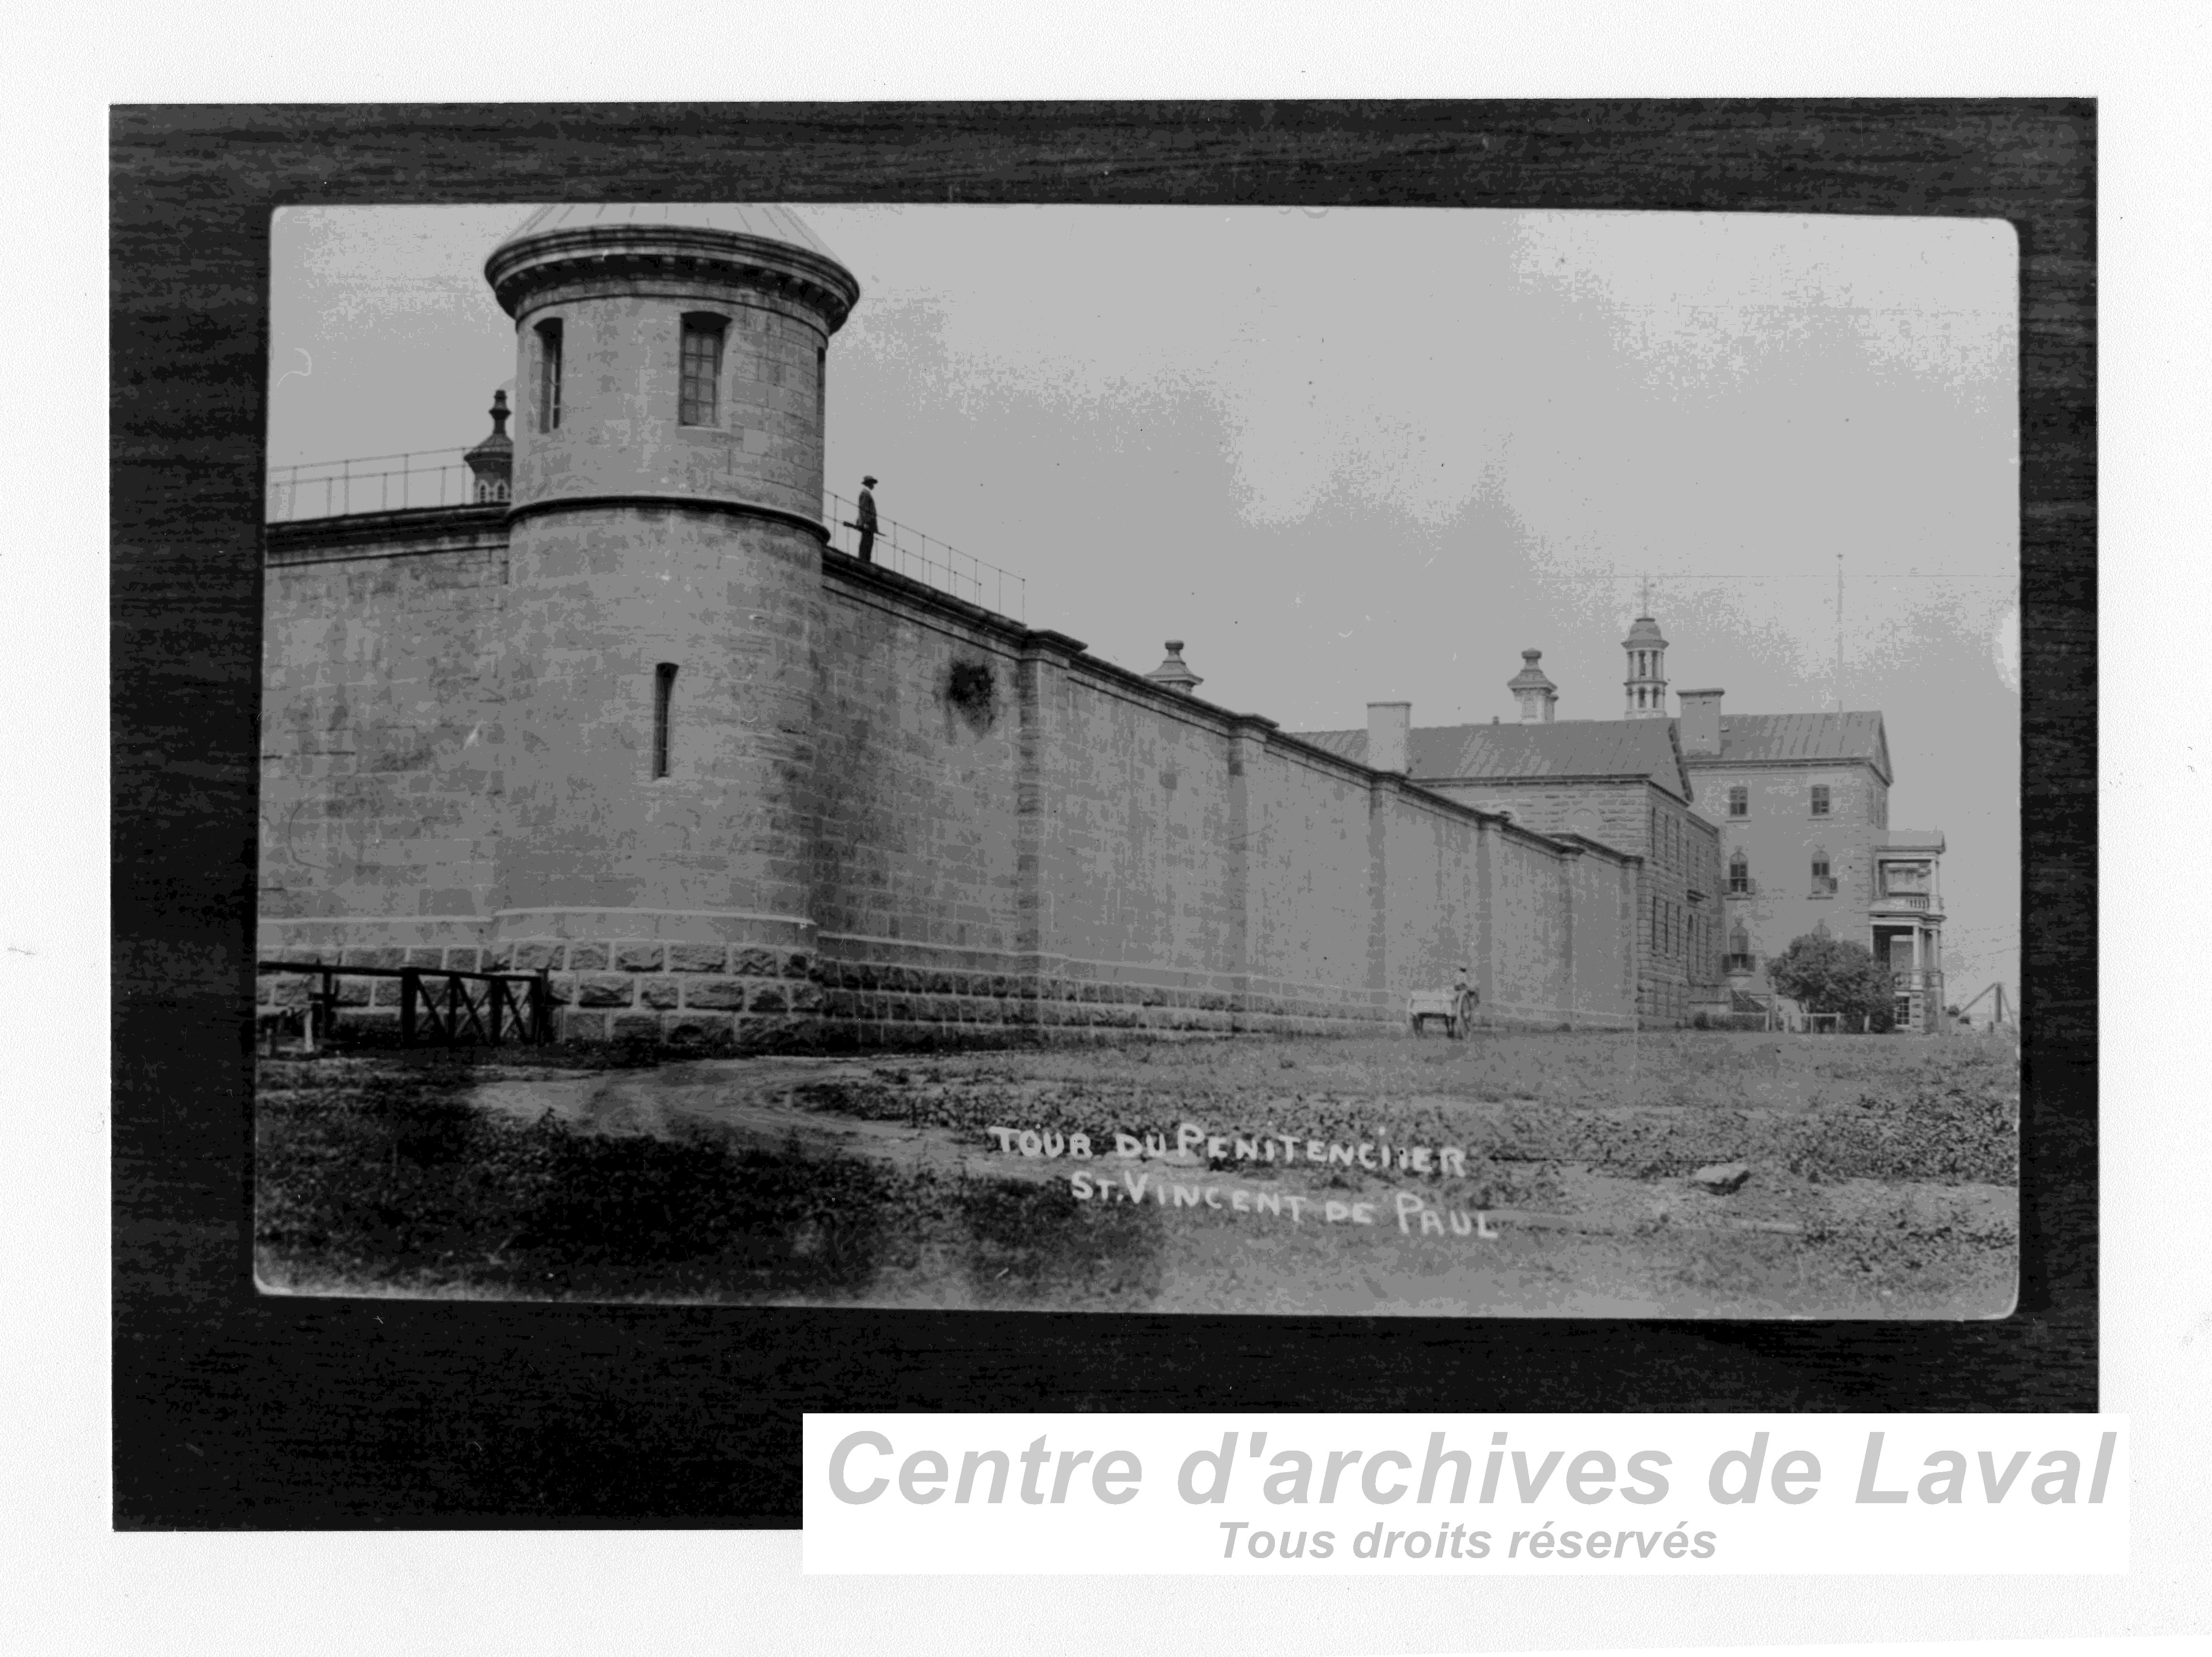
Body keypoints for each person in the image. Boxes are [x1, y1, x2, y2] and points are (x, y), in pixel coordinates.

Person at [848, 474, 879, 563]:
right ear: (869, 484)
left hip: (870, 523)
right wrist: (865, 522)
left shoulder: (867, 494)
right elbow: (864, 509)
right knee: (866, 542)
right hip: (868, 523)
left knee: (869, 542)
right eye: (872, 483)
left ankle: (865, 559)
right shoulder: (865, 494)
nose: (873, 485)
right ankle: (864, 560)